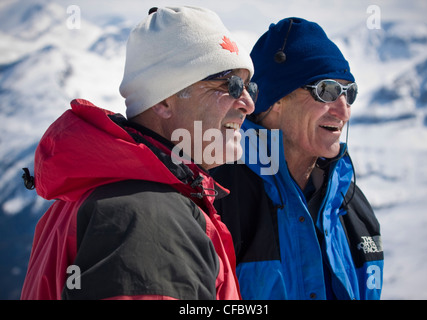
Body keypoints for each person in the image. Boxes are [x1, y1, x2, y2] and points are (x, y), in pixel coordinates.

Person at [20, 6, 256, 300]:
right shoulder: (148, 216)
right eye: (229, 85)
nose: (248, 103)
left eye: (250, 87)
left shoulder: (103, 195)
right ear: (164, 101)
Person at [211, 17, 384, 300]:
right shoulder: (217, 198)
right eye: (326, 91)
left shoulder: (351, 206)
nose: (344, 111)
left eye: (349, 93)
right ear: (275, 101)